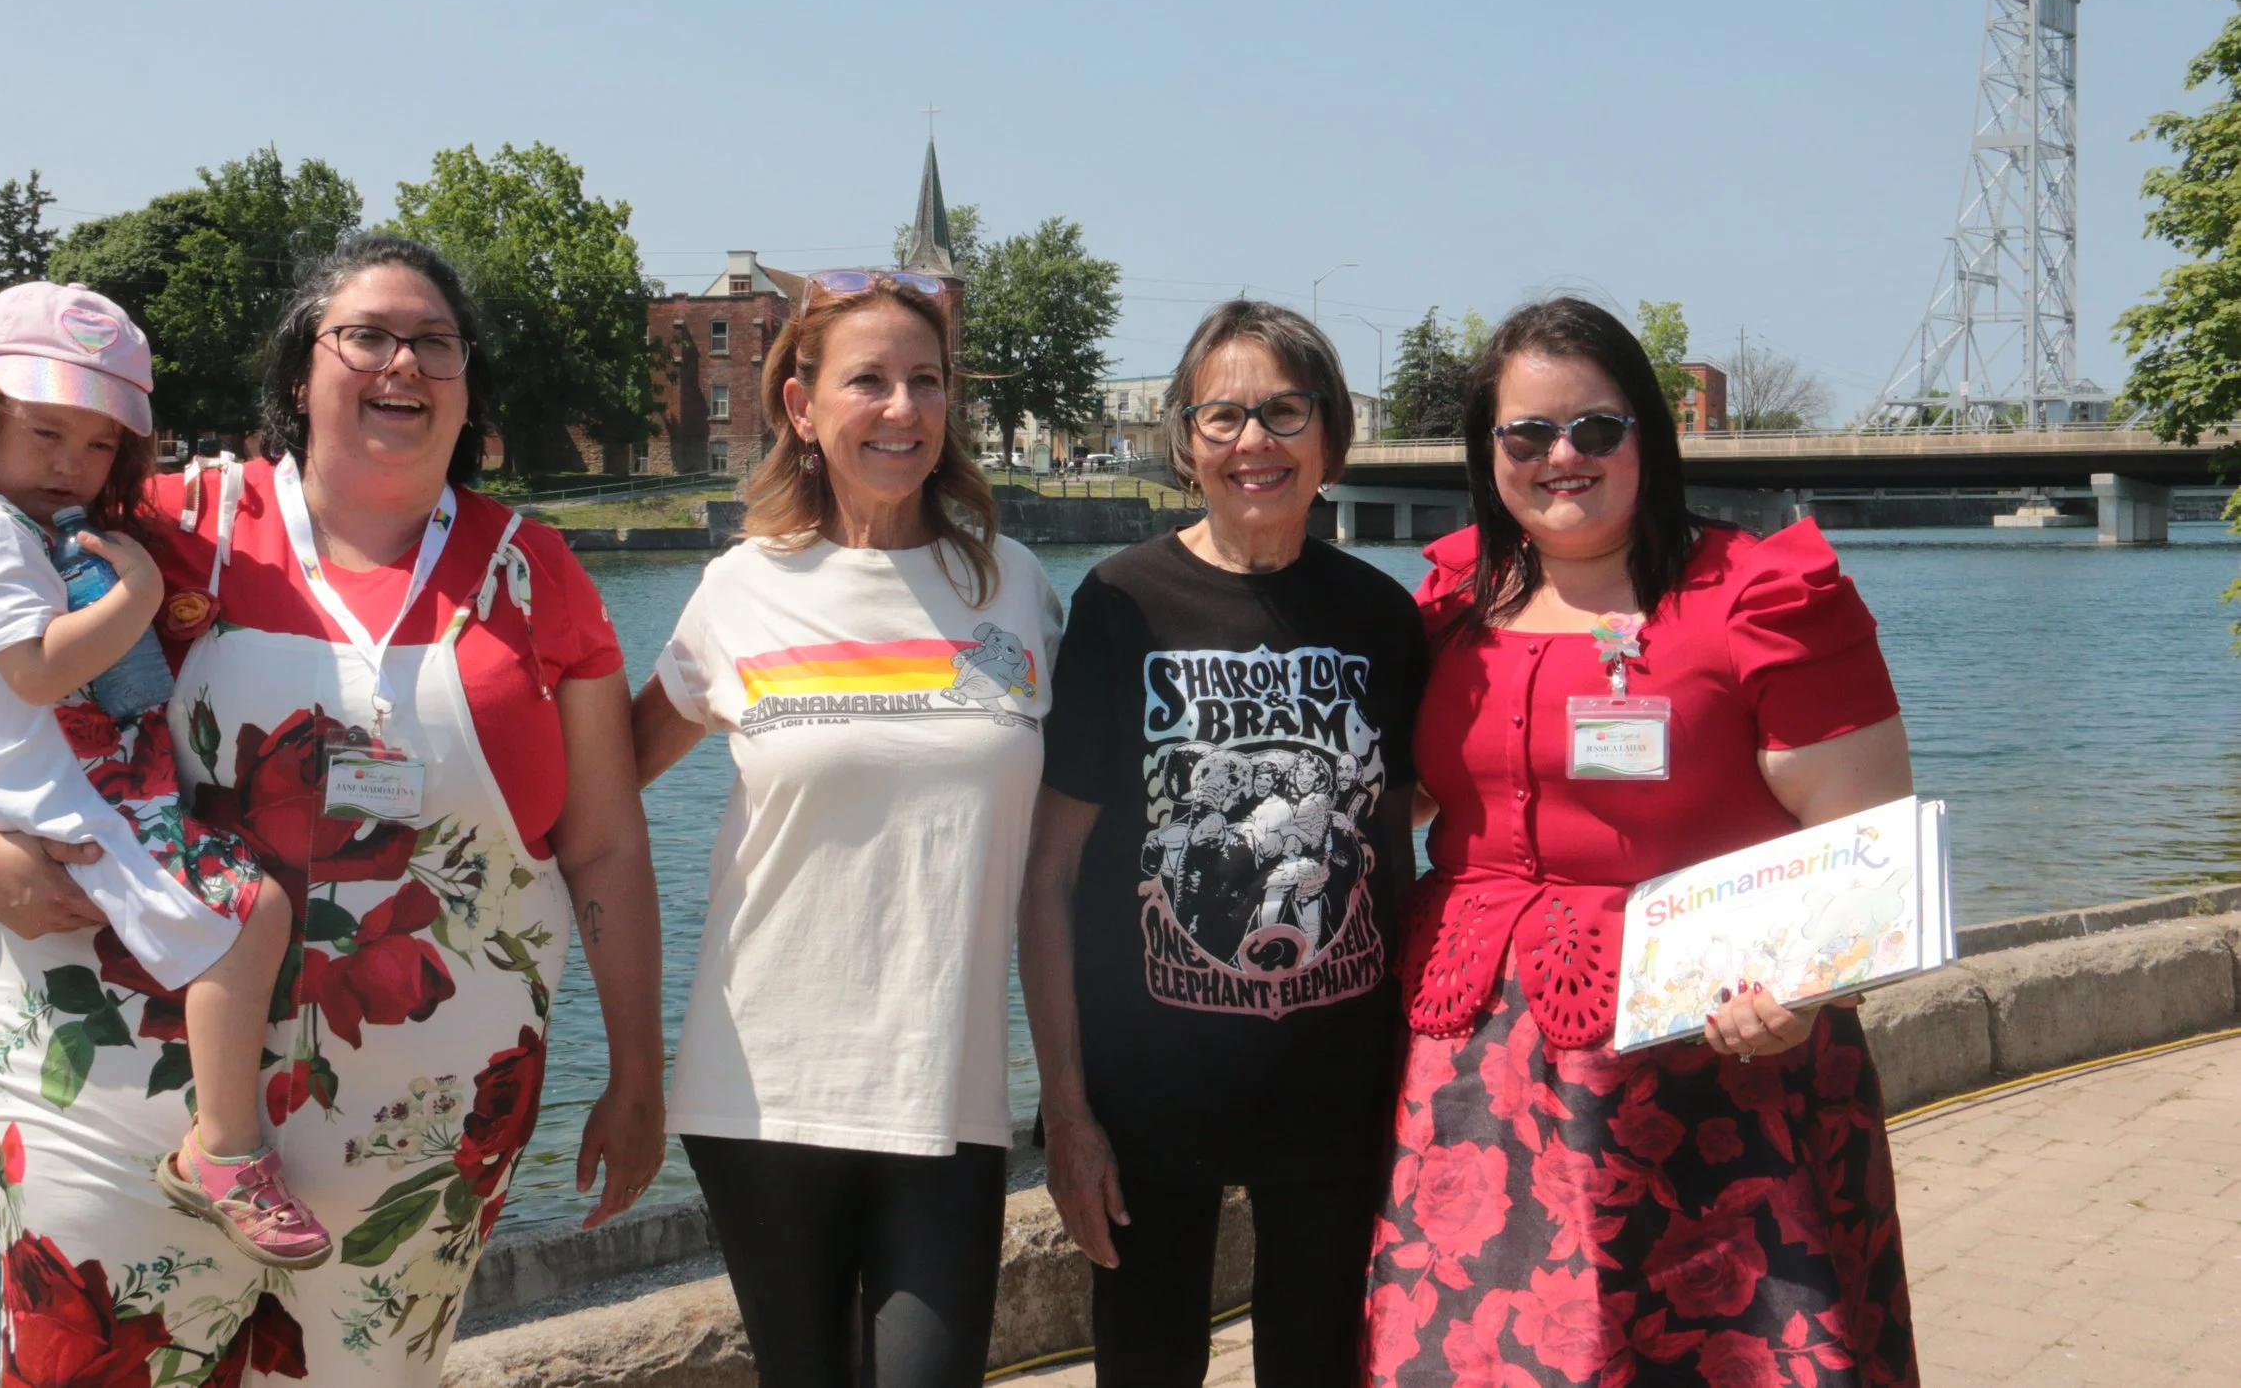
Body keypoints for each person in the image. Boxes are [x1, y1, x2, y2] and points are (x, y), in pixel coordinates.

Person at [0, 236, 665, 1384]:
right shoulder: (170, 524)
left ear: (466, 388)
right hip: (111, 1107)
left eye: (435, 341)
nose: (401, 360)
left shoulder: (536, 573)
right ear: (298, 373)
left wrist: (636, 1073)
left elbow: (604, 843)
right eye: (364, 333)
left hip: (413, 1151)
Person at [1365, 298, 1918, 1385]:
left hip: (1713, 1068)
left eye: (1596, 429)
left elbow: (1868, 840)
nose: (1561, 457)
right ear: (1489, 451)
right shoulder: (1453, 597)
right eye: (1527, 434)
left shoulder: (1760, 595)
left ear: (1647, 438)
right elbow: (1408, 797)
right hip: (1471, 1075)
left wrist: (1798, 997)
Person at [631, 268, 1062, 1387]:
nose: (902, 408)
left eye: (927, 380)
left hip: (947, 1083)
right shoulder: (739, 588)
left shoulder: (1015, 588)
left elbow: (1083, 838)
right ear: (800, 405)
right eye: (867, 380)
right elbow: (602, 789)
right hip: (763, 1079)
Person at [0, 282, 332, 1268]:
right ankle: (226, 1148)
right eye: (44, 432)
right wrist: (143, 588)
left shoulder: (12, 523)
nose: (71, 464)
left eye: (96, 444)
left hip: (66, 776)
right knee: (248, 914)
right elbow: (37, 668)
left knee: (243, 914)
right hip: (68, 790)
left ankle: (223, 1140)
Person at [1019, 300, 1427, 1386]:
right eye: (1224, 414)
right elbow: (1048, 875)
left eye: (1284, 411)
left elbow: (1407, 824)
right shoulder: (1120, 603)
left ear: (1331, 435)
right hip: (1147, 1104)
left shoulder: (1385, 618)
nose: (1255, 441)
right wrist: (1066, 1109)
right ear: (1183, 440)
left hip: (1339, 1093)